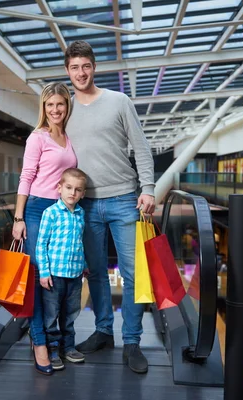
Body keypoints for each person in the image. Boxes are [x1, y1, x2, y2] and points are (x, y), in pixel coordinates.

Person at [63, 40, 156, 374]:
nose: (81, 72)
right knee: (96, 274)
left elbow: (142, 148)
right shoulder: (66, 109)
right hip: (84, 205)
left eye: (85, 66)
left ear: (94, 67)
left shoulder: (119, 101)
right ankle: (104, 332)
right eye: (74, 67)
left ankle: (132, 341)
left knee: (133, 275)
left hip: (123, 200)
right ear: (67, 70)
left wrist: (148, 188)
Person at [12, 82, 76, 376]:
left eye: (60, 104)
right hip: (38, 209)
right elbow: (26, 177)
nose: (55, 110)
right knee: (38, 278)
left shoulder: (68, 137)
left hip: (63, 212)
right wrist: (18, 218)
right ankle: (39, 342)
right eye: (50, 105)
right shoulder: (37, 137)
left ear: (67, 106)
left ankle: (56, 340)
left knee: (56, 278)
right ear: (43, 107)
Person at [35, 168, 88, 371]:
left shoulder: (81, 213)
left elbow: (78, 243)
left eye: (77, 190)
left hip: (74, 275)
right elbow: (42, 244)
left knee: (70, 313)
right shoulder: (51, 213)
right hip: (54, 276)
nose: (72, 193)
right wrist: (44, 272)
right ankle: (53, 349)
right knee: (51, 315)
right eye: (68, 188)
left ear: (82, 193)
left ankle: (69, 347)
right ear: (59, 188)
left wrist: (84, 265)